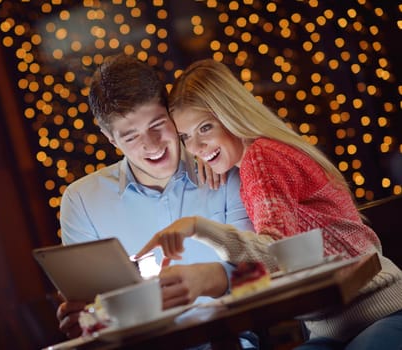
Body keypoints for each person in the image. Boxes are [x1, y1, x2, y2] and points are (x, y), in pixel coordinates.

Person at [136, 58, 402, 349]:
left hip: (380, 310)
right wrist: (213, 150)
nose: (195, 148)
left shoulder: (261, 158)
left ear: (231, 115)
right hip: (334, 329)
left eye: (205, 128)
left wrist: (198, 228)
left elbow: (275, 252)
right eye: (186, 137)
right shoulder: (260, 153)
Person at [56, 54, 258, 348]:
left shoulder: (220, 165)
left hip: (231, 338)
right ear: (110, 138)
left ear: (170, 112)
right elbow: (94, 311)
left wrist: (214, 279)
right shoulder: (82, 201)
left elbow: (266, 270)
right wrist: (85, 319)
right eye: (130, 136)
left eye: (157, 124)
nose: (151, 145)